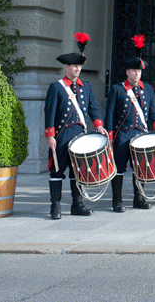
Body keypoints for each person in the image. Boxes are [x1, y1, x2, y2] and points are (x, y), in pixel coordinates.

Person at [44, 33, 107, 219]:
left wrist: (99, 125)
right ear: (67, 67)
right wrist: (50, 136)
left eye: (79, 66)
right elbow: (49, 113)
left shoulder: (86, 87)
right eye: (74, 66)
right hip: (62, 135)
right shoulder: (57, 87)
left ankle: (77, 204)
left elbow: (93, 109)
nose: (77, 69)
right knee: (56, 170)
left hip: (80, 134)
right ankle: (55, 206)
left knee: (78, 171)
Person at [105, 34, 155, 212]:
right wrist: (110, 136)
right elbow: (109, 115)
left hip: (141, 134)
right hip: (123, 134)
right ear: (127, 72)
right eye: (133, 70)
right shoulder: (117, 89)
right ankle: (117, 200)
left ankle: (139, 198)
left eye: (138, 71)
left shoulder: (147, 89)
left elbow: (153, 112)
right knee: (120, 168)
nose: (136, 73)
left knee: (141, 167)